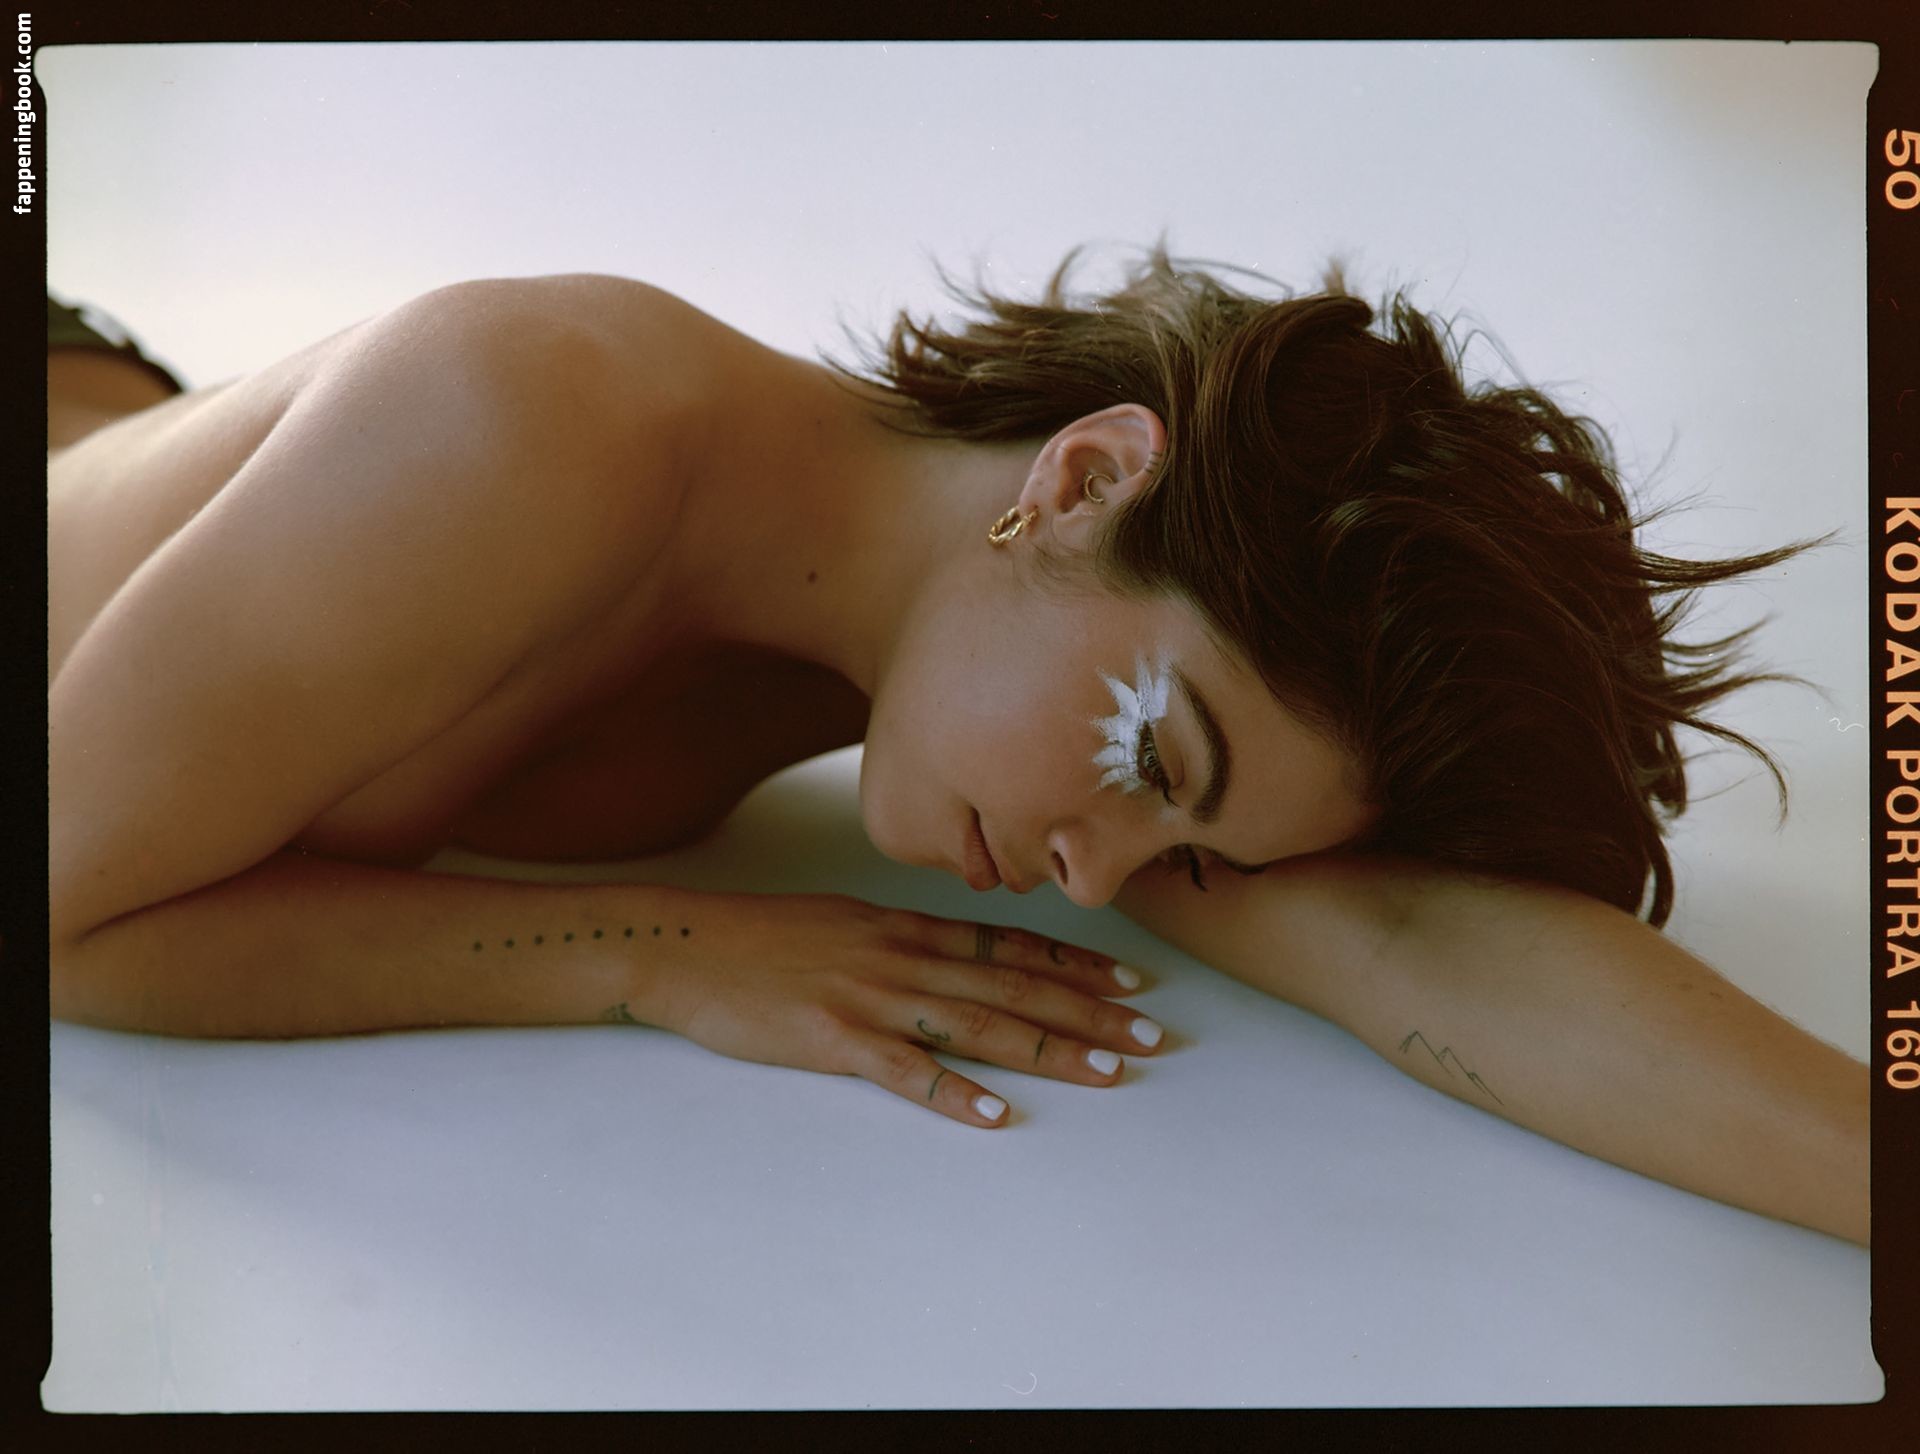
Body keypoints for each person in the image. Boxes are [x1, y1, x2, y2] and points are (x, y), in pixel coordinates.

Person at [46, 246, 1867, 1245]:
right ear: (1082, 478)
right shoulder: (528, 414)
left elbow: (1415, 945)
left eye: (1184, 855)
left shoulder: (1020, 683)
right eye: (1161, 774)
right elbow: (52, 914)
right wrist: (655, 950)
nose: (1099, 879)